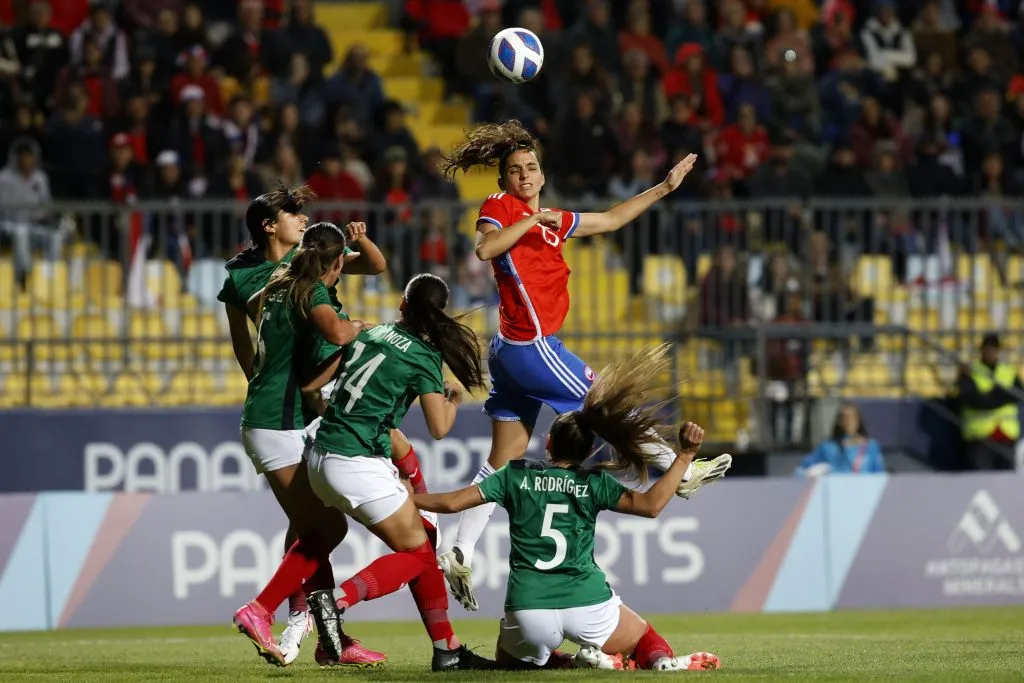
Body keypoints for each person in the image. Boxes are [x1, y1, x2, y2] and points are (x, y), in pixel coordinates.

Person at [437, 120, 732, 610]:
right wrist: (532, 220)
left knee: (502, 462)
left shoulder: (553, 221)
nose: (524, 175)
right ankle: (678, 472)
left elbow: (612, 220)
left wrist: (663, 187)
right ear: (504, 180)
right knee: (605, 402)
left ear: (542, 174)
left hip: (510, 351)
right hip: (531, 345)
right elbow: (486, 248)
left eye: (531, 167)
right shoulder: (500, 207)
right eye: (515, 170)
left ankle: (458, 550)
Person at [412, 346, 722, 672]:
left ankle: (574, 661)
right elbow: (651, 505)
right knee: (644, 639)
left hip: (529, 608)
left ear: (548, 444)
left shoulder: (514, 475)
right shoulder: (594, 483)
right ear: (588, 451)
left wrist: (408, 499)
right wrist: (684, 457)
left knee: (513, 661)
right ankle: (659, 662)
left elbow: (451, 503)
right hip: (587, 602)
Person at [221, 188, 386, 666]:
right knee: (325, 526)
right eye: (292, 212)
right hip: (278, 416)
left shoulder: (302, 263)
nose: (303, 217)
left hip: (301, 411)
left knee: (309, 526)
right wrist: (261, 380)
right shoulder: (252, 276)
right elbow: (245, 338)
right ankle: (266, 611)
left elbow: (373, 266)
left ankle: (328, 639)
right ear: (268, 225)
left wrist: (360, 242)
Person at [299, 272, 496, 672]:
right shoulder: (424, 357)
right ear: (439, 313)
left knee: (422, 546)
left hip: (320, 458)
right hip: (354, 463)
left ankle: (447, 649)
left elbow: (311, 389)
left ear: (403, 305)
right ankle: (337, 601)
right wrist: (453, 398)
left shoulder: (371, 333)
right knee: (418, 556)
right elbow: (439, 428)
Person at [958, 334, 1022, 471]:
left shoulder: (1008, 370)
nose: (991, 352)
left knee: (1006, 477)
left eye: (994, 349)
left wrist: (990, 397)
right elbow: (972, 399)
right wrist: (1001, 395)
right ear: (982, 350)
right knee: (981, 477)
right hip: (980, 435)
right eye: (988, 348)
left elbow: (1018, 394)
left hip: (1006, 434)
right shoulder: (970, 370)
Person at [795, 403, 885, 477]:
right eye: (844, 418)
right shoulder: (827, 447)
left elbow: (879, 474)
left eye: (852, 418)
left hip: (863, 490)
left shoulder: (870, 446)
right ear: (839, 421)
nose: (848, 422)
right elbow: (802, 469)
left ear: (858, 421)